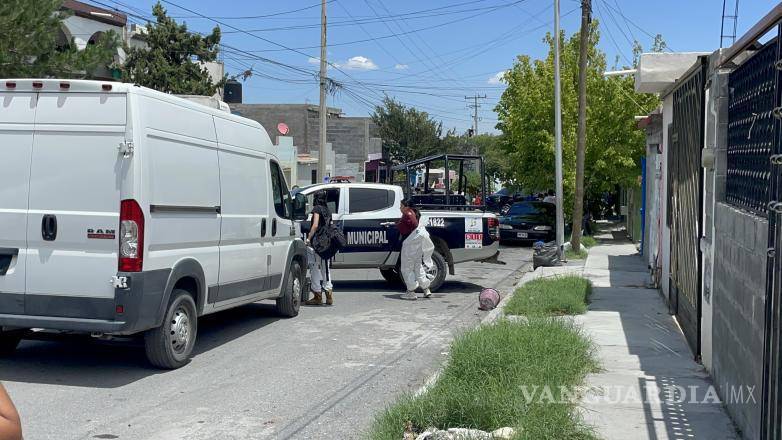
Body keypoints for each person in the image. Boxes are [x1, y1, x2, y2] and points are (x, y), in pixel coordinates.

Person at [397, 199, 433, 300]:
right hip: (417, 244)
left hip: (410, 244)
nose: (400, 208)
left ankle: (411, 292)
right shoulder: (413, 213)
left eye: (401, 206)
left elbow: (412, 225)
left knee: (407, 268)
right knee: (418, 266)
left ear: (406, 206)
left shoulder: (408, 214)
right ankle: (426, 289)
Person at [305, 191, 334, 306]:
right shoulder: (328, 210)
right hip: (326, 243)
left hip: (317, 243)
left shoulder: (317, 208)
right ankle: (329, 295)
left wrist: (308, 238)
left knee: (314, 267)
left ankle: (317, 295)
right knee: (325, 268)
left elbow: (315, 225)